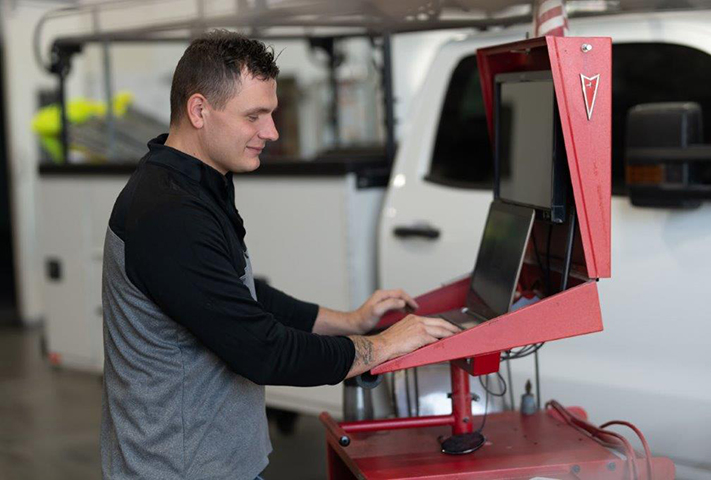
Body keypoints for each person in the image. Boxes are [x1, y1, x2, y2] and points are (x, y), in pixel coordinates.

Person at [100, 29, 460, 479]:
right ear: (199, 110)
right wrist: (381, 347)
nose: (271, 132)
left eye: (271, 114)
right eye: (255, 116)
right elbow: (263, 351)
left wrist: (348, 322)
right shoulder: (168, 213)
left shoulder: (195, 185)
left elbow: (243, 296)